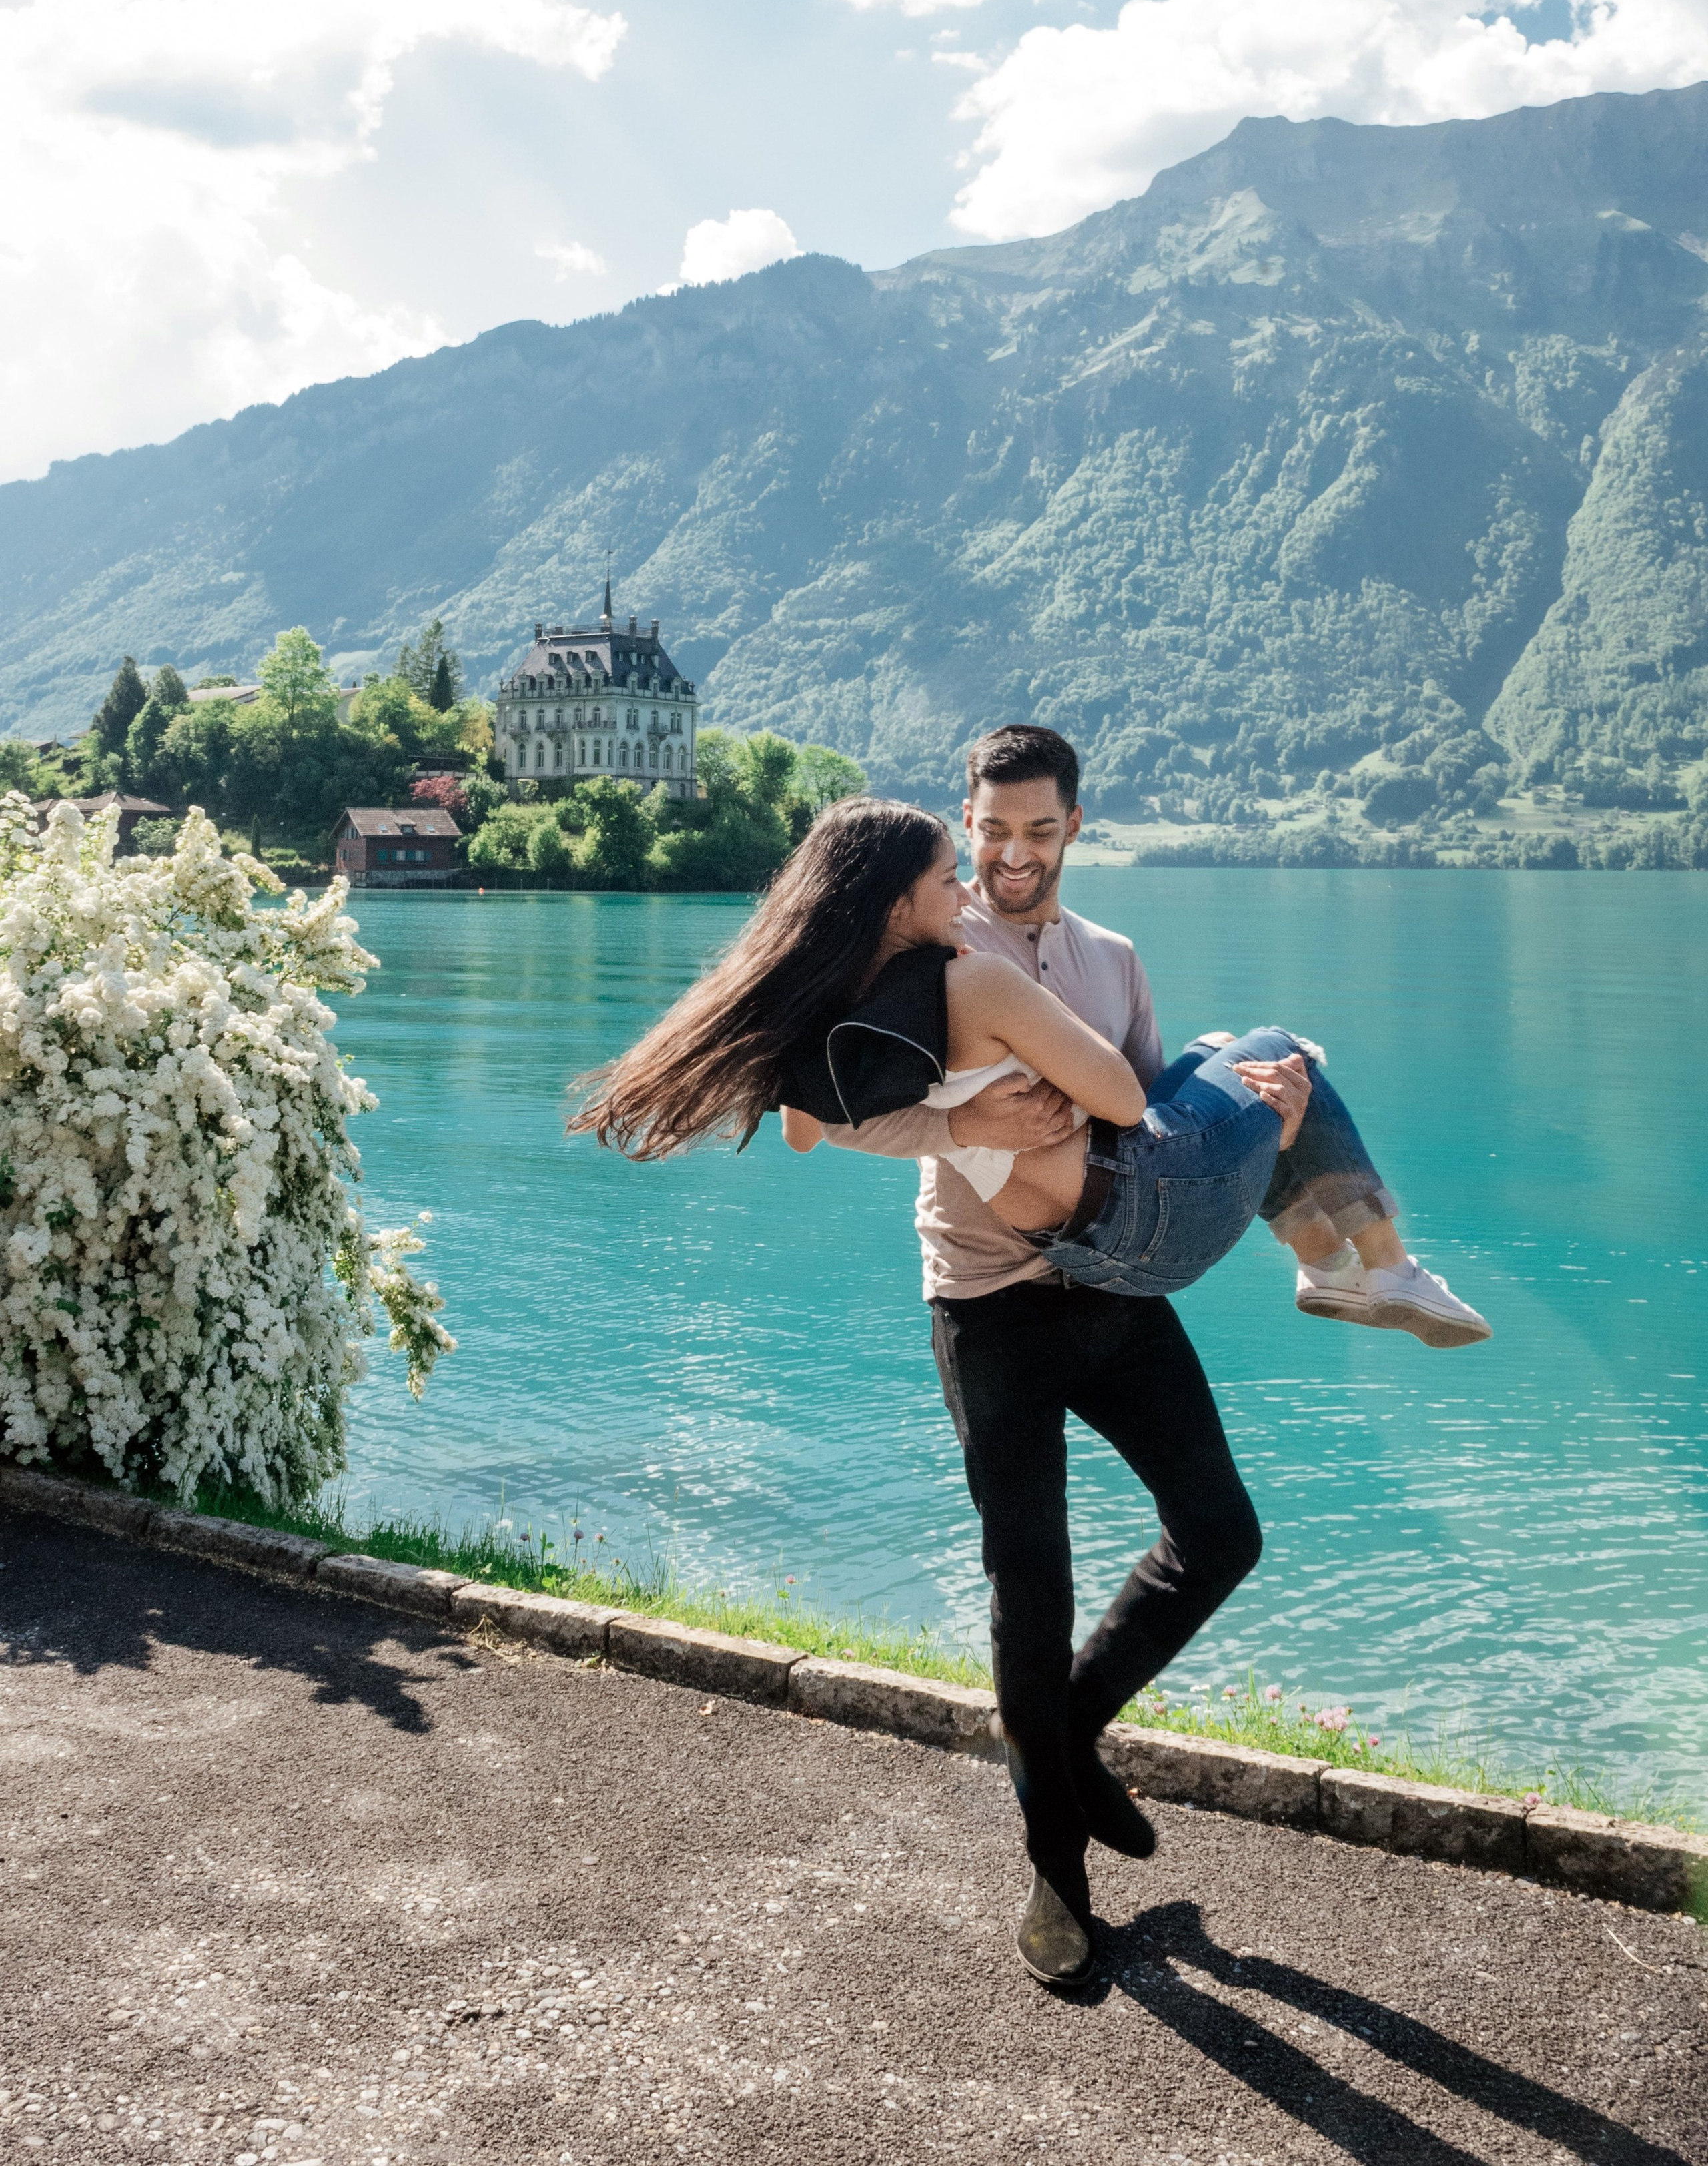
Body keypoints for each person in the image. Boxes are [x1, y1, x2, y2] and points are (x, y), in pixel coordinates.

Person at [572, 733, 1488, 1990]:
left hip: (1111, 1288)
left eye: (1037, 831)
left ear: (1071, 829)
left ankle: (1066, 1731)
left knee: (1221, 1534)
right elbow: (815, 1119)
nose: (1008, 856)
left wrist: (1265, 1128)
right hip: (988, 1307)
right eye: (989, 834)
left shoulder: (1112, 956)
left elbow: (1152, 1123)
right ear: (967, 825)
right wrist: (953, 1119)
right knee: (1030, 1587)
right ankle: (1056, 1877)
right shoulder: (936, 960)